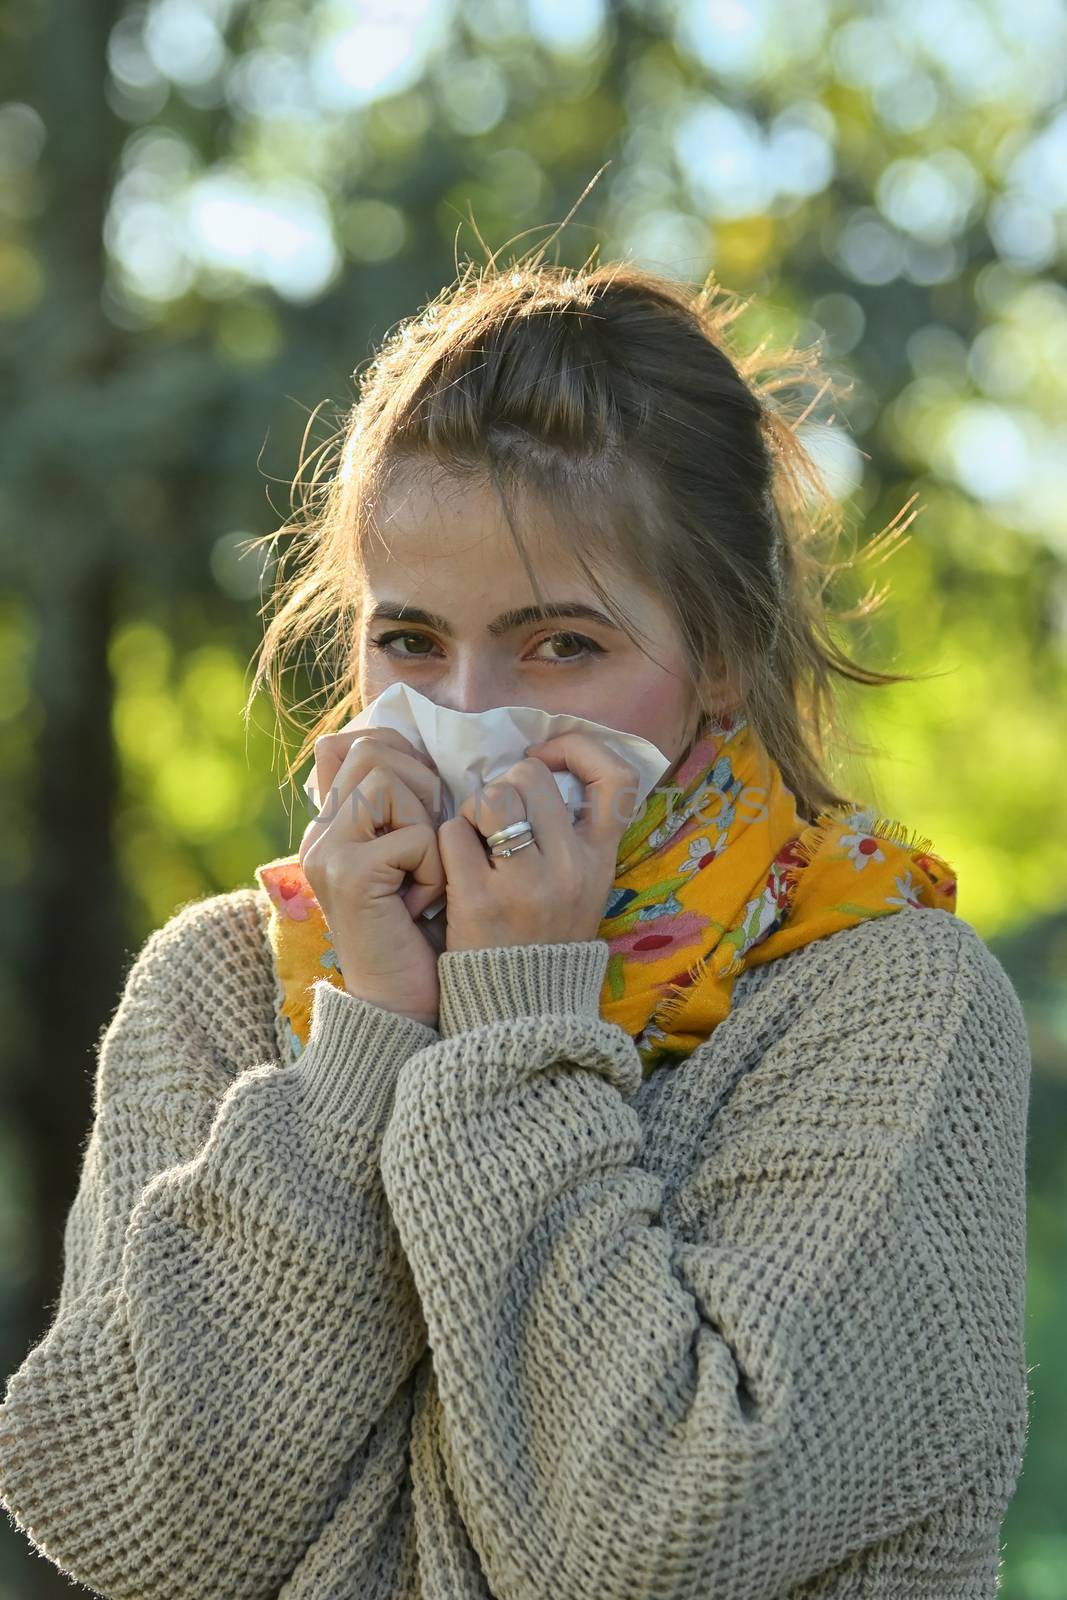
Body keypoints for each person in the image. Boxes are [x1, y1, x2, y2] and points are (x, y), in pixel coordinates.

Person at [0, 252, 1031, 1600]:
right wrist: (366, 1043)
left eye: (561, 645)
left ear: (720, 659)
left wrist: (520, 1020)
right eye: (412, 643)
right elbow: (138, 1525)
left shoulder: (888, 1001)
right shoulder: (225, 989)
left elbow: (652, 1538)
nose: (472, 715)